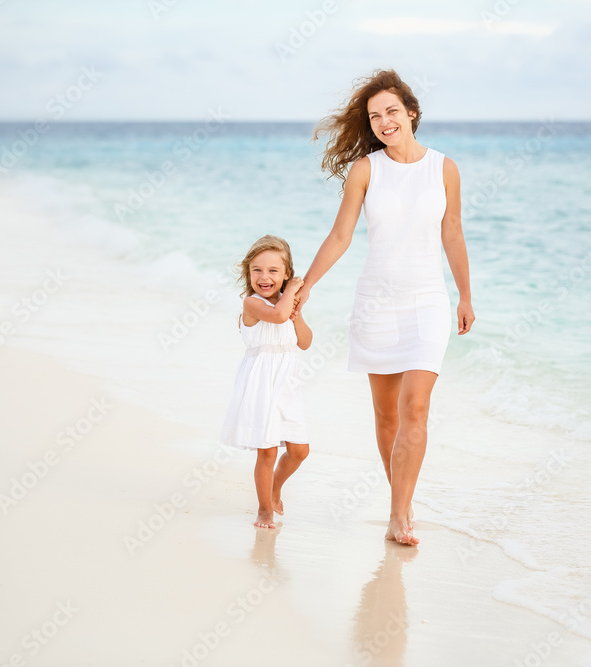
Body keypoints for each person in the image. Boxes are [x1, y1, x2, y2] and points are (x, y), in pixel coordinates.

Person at [294, 69, 474, 546]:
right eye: (375, 116)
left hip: (427, 302)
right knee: (387, 418)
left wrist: (465, 295)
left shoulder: (444, 168)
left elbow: (452, 232)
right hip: (376, 302)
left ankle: (398, 517)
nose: (384, 121)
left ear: (412, 113)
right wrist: (306, 284)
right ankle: (403, 501)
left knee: (416, 406)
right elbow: (340, 236)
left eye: (392, 111)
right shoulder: (366, 170)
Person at [219, 234, 313, 529]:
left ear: (285, 273)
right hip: (260, 384)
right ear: (248, 273)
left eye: (273, 270)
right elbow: (278, 315)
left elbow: (306, 342)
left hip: (287, 384)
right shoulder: (253, 304)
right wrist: (296, 289)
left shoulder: (288, 305)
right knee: (268, 449)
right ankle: (264, 510)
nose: (264, 276)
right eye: (257, 269)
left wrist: (298, 313)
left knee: (300, 450)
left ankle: (274, 487)